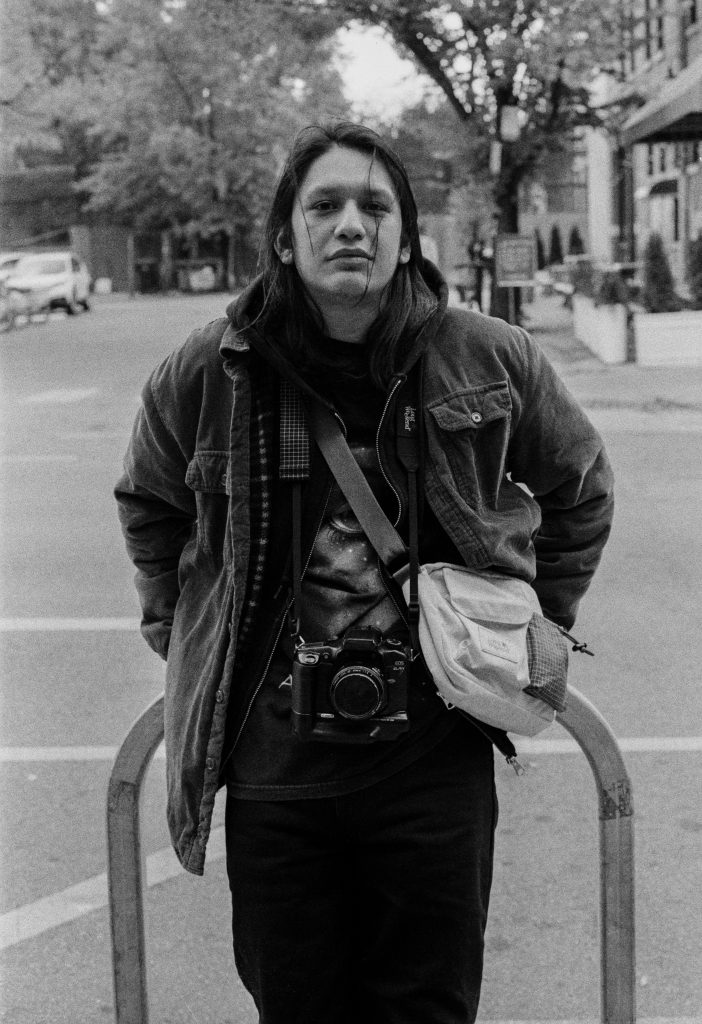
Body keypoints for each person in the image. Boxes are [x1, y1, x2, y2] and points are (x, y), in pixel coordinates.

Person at [115, 122, 614, 1024]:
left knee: (429, 1008)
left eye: (376, 206)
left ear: (405, 235)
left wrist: (528, 623)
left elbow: (580, 488)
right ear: (285, 234)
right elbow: (150, 505)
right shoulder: (207, 370)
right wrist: (185, 636)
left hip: (433, 760)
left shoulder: (488, 355)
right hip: (274, 769)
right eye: (326, 205)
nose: (352, 224)